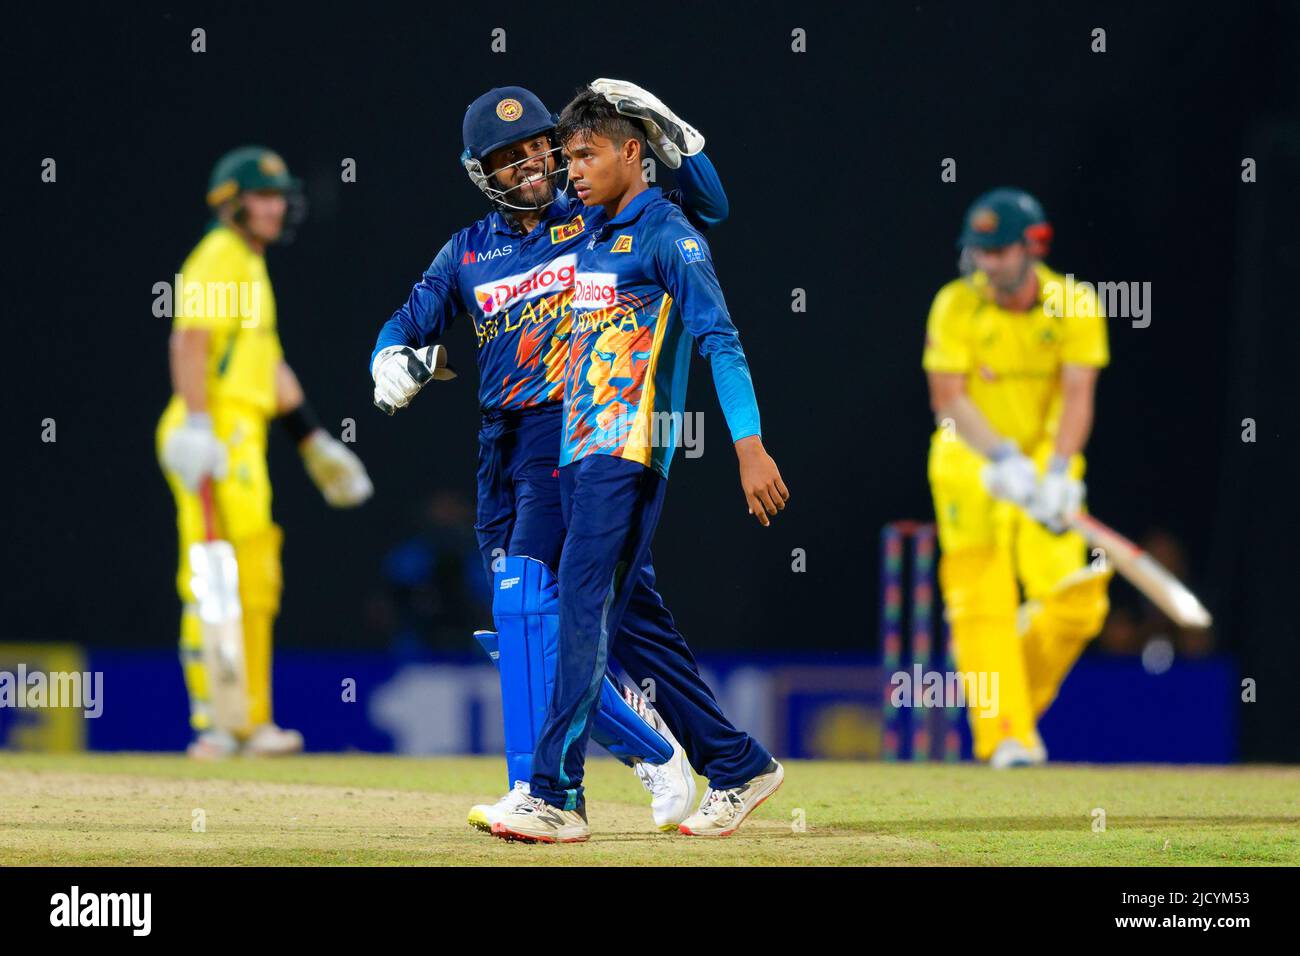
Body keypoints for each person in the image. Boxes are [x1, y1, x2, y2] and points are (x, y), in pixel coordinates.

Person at [369, 82, 729, 831]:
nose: (531, 163)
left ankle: (540, 794)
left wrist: (673, 136)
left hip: (577, 434)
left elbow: (708, 209)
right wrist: (390, 364)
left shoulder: (594, 215)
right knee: (569, 626)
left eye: (539, 145)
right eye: (509, 156)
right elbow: (403, 324)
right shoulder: (466, 250)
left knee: (525, 606)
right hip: (500, 446)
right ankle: (666, 752)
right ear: (481, 171)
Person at [486, 88, 788, 844]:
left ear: (633, 154)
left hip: (629, 454)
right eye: (569, 156)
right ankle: (737, 762)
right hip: (578, 457)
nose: (570, 171)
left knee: (582, 611)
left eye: (587, 155)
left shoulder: (669, 235)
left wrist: (748, 448)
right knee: (638, 633)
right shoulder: (589, 228)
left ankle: (554, 793)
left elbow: (722, 338)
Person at [158, 146, 373, 759]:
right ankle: (218, 721)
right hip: (213, 430)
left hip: (239, 433)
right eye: (264, 195)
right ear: (231, 202)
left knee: (252, 577)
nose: (277, 207)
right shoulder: (219, 257)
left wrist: (315, 444)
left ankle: (247, 720)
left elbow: (267, 364)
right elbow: (190, 342)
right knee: (216, 576)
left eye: (280, 196)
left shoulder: (248, 264)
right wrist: (198, 424)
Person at [922, 187, 1112, 767]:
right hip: (968, 465)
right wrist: (1002, 461)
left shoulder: (1075, 304)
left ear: (1034, 246)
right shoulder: (954, 304)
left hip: (1047, 470)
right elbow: (949, 400)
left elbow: (1078, 396)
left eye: (1000, 251)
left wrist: (1055, 471)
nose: (988, 263)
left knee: (1079, 605)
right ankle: (1006, 733)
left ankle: (1012, 705)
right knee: (982, 607)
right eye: (980, 250)